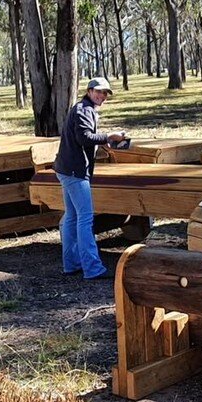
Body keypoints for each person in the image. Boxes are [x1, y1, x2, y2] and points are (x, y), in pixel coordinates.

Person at [52, 77, 127, 280]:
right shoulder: (84, 110)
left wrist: (108, 142)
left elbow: (84, 139)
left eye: (105, 93)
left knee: (72, 217)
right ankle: (92, 268)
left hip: (66, 168)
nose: (102, 96)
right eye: (99, 92)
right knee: (85, 218)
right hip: (75, 171)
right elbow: (84, 137)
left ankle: (72, 264)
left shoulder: (84, 109)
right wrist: (109, 136)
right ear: (89, 91)